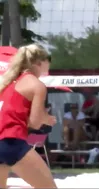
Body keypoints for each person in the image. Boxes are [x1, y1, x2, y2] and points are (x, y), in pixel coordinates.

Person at [0, 44, 57, 188]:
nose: (49, 63)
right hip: (11, 142)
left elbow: (12, 112)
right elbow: (34, 123)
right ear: (39, 62)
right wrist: (47, 119)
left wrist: (44, 117)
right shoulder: (37, 85)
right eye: (48, 59)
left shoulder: (7, 83)